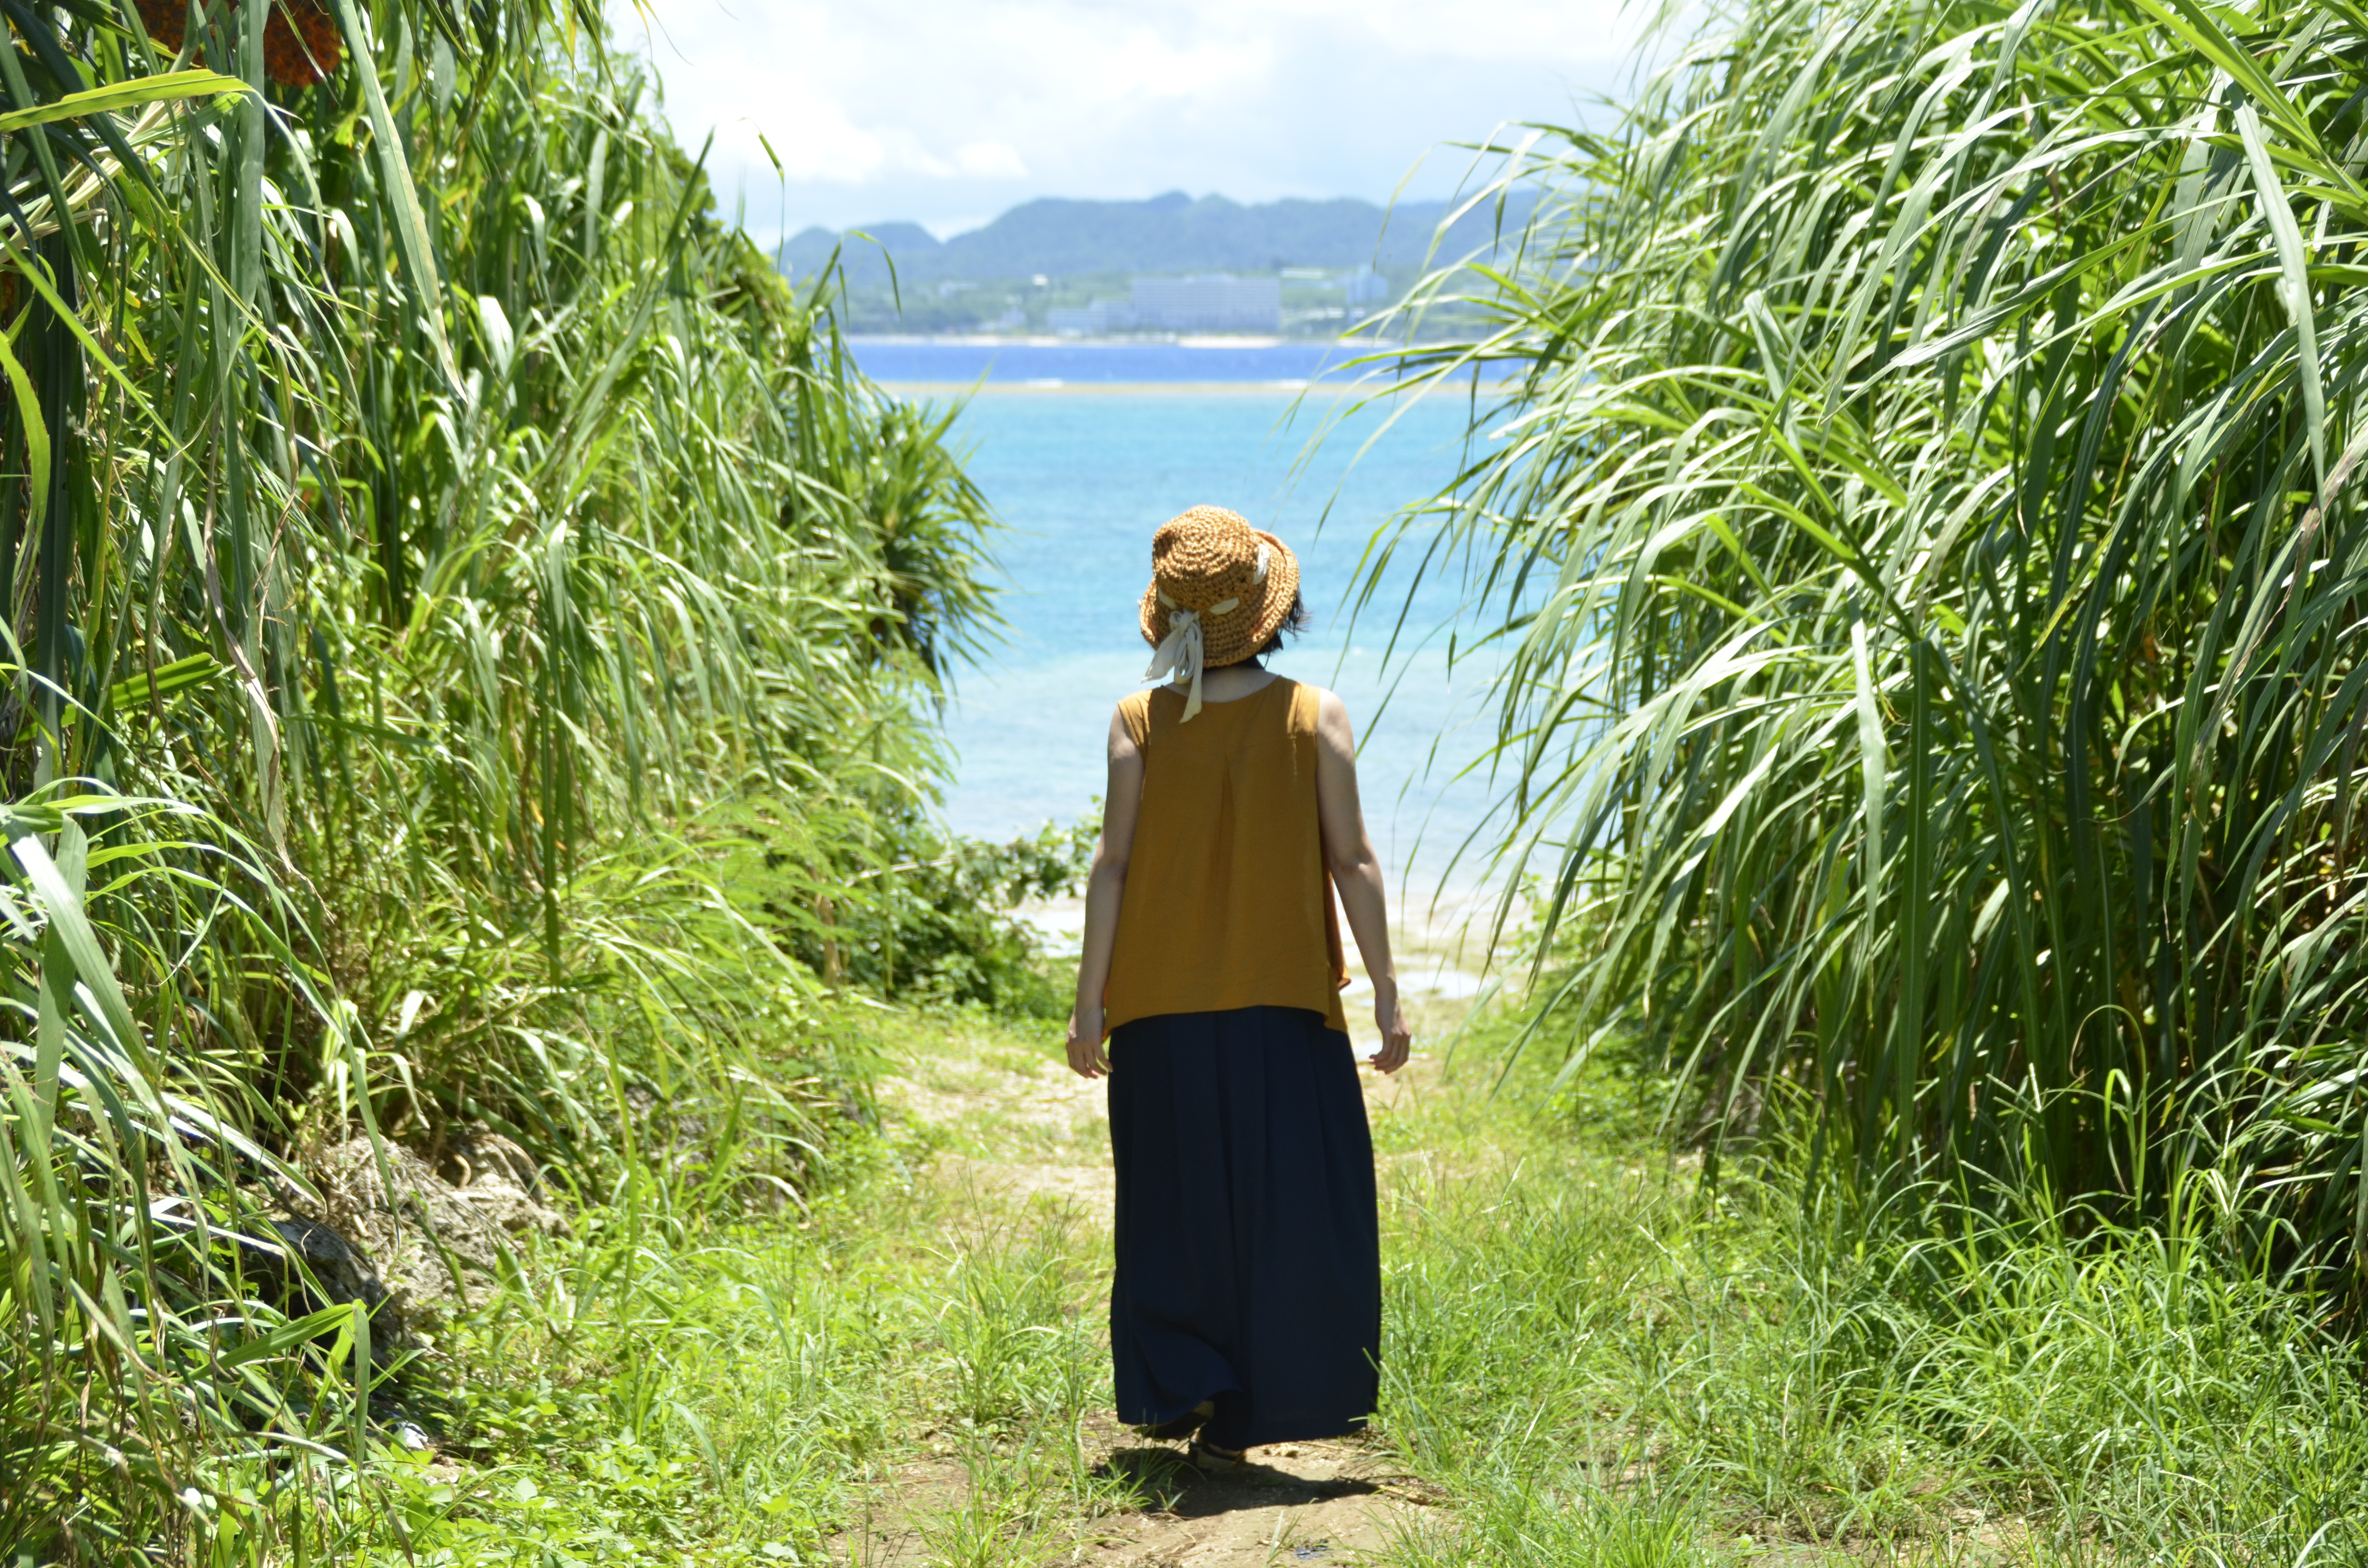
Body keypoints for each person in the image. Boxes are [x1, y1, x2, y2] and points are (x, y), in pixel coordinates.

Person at [1065, 503, 1413, 1472]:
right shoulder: (1315, 715)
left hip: (1155, 1009)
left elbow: (1114, 866)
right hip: (1285, 1003)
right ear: (1270, 610)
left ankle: (1189, 1385)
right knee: (1295, 1209)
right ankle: (1261, 1406)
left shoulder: (1137, 720)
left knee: (1172, 1208)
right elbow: (1353, 860)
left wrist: (1089, 1002)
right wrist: (1385, 988)